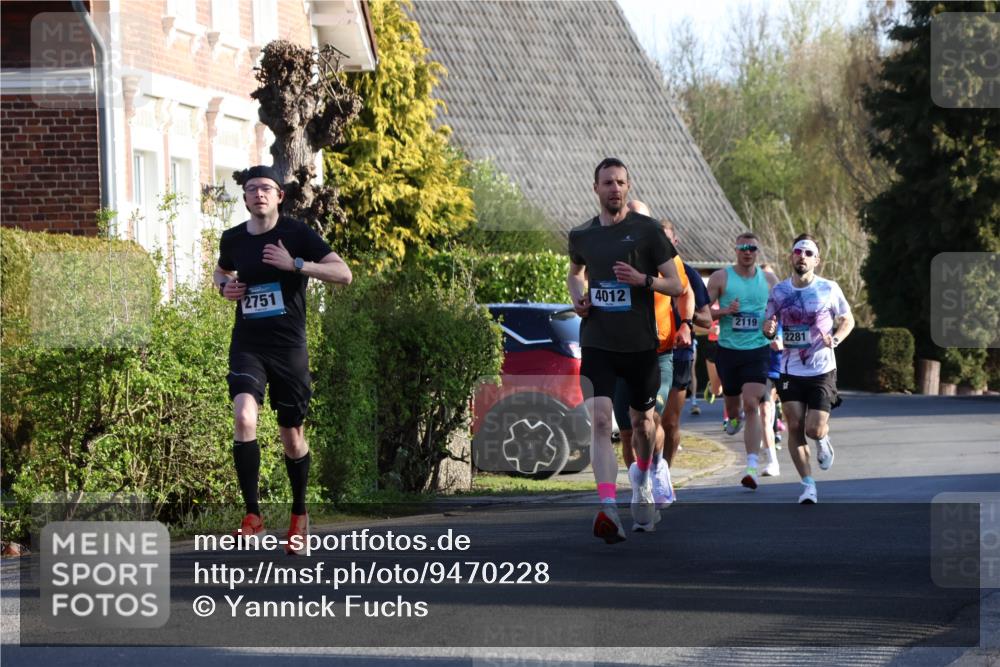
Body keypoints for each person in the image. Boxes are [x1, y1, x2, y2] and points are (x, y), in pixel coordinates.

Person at [214, 165, 352, 554]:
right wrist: (225, 287)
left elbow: (344, 274)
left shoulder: (296, 234)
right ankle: (253, 517)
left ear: (280, 196)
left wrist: (295, 265)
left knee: (292, 437)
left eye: (266, 188)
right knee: (244, 417)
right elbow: (220, 271)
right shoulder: (233, 238)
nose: (258, 194)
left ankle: (298, 516)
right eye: (252, 189)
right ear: (244, 198)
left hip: (289, 348)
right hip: (248, 344)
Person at [567, 158, 683, 542]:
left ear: (628, 187)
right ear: (595, 188)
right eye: (607, 183)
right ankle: (608, 507)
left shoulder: (648, 231)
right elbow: (575, 273)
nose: (614, 189)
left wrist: (643, 280)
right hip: (597, 341)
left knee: (643, 424)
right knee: (601, 422)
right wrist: (578, 298)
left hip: (640, 346)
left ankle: (644, 480)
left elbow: (676, 285)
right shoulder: (582, 235)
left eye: (620, 182)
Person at [763, 235, 854, 503]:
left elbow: (847, 320)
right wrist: (769, 330)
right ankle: (808, 485)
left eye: (808, 253)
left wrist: (835, 339)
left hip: (821, 369)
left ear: (817, 260)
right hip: (790, 369)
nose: (802, 256)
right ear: (791, 257)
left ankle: (822, 440)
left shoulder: (829, 288)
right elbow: (768, 325)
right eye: (797, 251)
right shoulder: (779, 291)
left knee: (813, 429)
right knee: (794, 425)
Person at [612, 203, 691, 511]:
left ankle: (657, 466)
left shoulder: (666, 256)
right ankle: (640, 485)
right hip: (619, 353)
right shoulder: (611, 253)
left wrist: (685, 323)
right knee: (628, 432)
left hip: (658, 354)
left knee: (648, 419)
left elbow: (684, 291)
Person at [706, 233, 778, 491]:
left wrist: (772, 327)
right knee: (734, 407)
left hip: (757, 350)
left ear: (758, 251)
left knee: (752, 404)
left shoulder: (769, 280)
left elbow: (777, 313)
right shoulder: (720, 278)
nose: (748, 252)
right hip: (728, 351)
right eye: (743, 248)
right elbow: (701, 311)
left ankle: (751, 467)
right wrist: (725, 311)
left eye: (752, 248)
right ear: (736, 249)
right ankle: (733, 419)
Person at [660, 220, 712, 480]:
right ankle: (648, 472)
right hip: (648, 352)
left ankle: (665, 474)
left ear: (675, 241)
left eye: (666, 239)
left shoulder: (688, 273)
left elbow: (707, 319)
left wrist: (684, 316)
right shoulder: (641, 271)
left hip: (679, 352)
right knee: (644, 422)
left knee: (669, 422)